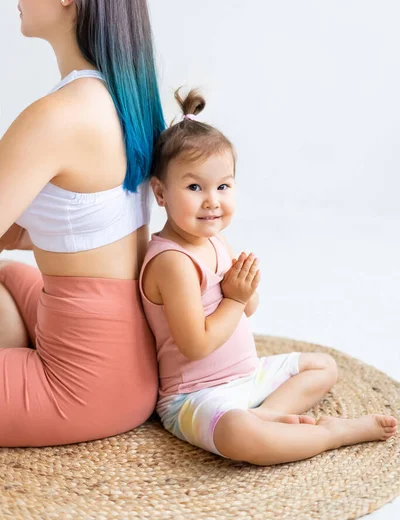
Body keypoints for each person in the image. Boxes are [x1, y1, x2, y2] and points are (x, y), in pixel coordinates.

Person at [138, 87, 398, 465]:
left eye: (223, 186)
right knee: (240, 436)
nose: (212, 200)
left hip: (248, 377)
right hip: (198, 396)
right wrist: (235, 298)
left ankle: (265, 415)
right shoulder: (172, 261)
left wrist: (244, 290)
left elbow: (248, 310)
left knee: (322, 367)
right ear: (160, 192)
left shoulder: (216, 241)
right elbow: (196, 345)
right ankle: (326, 434)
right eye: (195, 187)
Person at [0, 0, 166, 446]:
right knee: (5, 273)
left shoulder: (57, 116)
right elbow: (84, 224)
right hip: (132, 366)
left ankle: (21, 368)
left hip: (80, 389)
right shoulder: (129, 96)